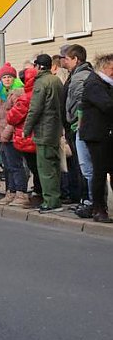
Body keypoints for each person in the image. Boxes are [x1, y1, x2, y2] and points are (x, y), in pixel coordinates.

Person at [24, 54, 65, 213]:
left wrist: (27, 129)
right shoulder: (56, 80)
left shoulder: (41, 82)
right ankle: (55, 198)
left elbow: (35, 109)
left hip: (44, 130)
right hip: (55, 129)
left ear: (38, 66)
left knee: (45, 167)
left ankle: (51, 201)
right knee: (54, 166)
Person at [78, 54, 113, 223]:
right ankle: (98, 209)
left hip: (106, 134)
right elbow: (107, 106)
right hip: (96, 135)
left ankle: (102, 207)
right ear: (104, 68)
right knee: (99, 172)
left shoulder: (106, 83)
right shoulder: (94, 83)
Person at [61, 44, 93, 212]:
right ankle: (85, 199)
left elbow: (80, 101)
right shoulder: (74, 75)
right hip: (74, 125)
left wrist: (75, 121)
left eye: (67, 58)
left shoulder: (81, 77)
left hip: (79, 126)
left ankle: (90, 201)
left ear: (76, 59)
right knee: (81, 166)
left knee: (86, 167)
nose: (64, 61)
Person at [0, 63, 27, 205]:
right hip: (2, 136)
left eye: (9, 77)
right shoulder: (2, 93)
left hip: (11, 136)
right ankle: (10, 192)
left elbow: (17, 115)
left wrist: (6, 133)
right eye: (4, 77)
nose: (6, 79)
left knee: (15, 165)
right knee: (7, 166)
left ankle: (21, 193)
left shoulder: (17, 93)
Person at [7, 67, 43, 208]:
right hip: (38, 135)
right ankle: (39, 192)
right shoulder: (41, 93)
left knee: (33, 167)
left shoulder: (25, 96)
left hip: (26, 137)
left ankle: (38, 194)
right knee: (38, 167)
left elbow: (12, 116)